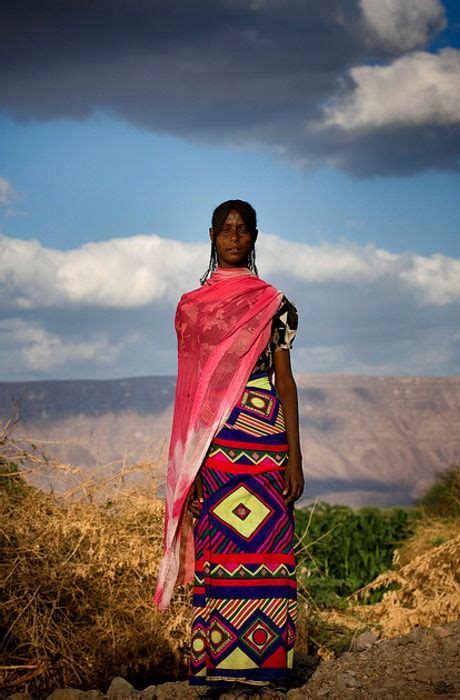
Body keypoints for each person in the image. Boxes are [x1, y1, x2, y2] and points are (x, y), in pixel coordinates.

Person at [153, 199, 304, 699]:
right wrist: (190, 464)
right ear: (212, 236)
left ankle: (267, 669)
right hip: (215, 442)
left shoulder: (275, 304)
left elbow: (285, 381)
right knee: (220, 550)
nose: (234, 236)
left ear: (255, 237)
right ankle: (218, 669)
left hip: (265, 441)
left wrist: (295, 456)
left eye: (243, 230)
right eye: (226, 229)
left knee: (269, 548)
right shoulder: (192, 308)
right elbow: (191, 389)